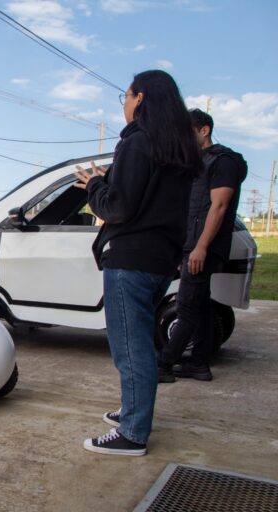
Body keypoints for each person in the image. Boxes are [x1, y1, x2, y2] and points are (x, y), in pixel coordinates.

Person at [74, 70, 201, 456]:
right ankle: (133, 411)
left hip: (130, 259)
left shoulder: (138, 142)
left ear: (141, 98)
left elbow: (119, 207)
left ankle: (132, 433)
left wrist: (96, 185)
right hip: (161, 260)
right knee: (139, 344)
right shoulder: (177, 149)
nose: (125, 105)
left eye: (125, 97)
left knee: (130, 349)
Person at [158, 109, 247, 382]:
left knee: (186, 305)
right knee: (201, 305)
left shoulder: (223, 162)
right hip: (192, 244)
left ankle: (163, 364)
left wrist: (201, 247)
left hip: (202, 247)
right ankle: (198, 363)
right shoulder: (197, 163)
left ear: (204, 130)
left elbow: (218, 207)